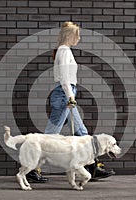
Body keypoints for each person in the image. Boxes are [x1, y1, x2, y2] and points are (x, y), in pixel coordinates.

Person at [44, 21, 113, 180]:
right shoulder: (64, 51)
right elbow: (65, 78)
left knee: (82, 133)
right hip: (65, 95)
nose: (79, 38)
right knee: (51, 135)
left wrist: (70, 94)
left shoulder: (63, 51)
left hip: (65, 94)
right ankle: (32, 168)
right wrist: (70, 96)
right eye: (77, 35)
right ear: (70, 36)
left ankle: (91, 167)